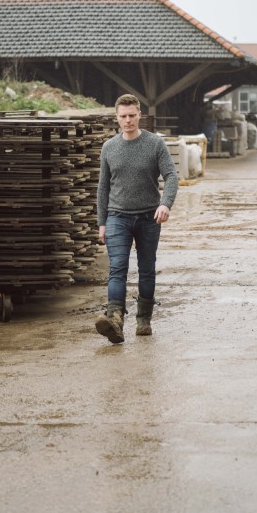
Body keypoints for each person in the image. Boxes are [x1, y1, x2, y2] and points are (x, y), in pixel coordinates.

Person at [95, 94, 179, 344]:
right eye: (123, 116)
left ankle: (144, 320)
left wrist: (166, 204)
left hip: (148, 217)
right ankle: (115, 320)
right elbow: (103, 189)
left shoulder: (155, 144)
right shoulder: (109, 147)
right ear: (117, 118)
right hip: (117, 217)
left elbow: (172, 176)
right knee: (117, 268)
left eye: (132, 115)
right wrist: (102, 222)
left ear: (139, 115)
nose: (128, 120)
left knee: (146, 269)